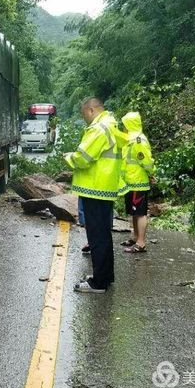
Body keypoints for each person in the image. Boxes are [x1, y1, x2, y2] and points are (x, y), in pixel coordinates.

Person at [64, 97, 125, 293]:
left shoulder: (99, 129)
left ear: (91, 110)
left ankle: (98, 283)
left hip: (95, 188)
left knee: (97, 236)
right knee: (103, 235)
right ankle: (105, 276)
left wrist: (69, 157)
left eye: (84, 115)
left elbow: (83, 157)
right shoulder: (111, 125)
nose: (85, 119)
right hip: (104, 188)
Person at [118, 112, 156, 254]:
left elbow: (146, 161)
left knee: (140, 213)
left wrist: (151, 173)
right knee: (134, 212)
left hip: (138, 182)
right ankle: (135, 238)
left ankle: (141, 243)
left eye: (125, 124)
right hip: (130, 181)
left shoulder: (138, 140)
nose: (124, 127)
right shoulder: (131, 139)